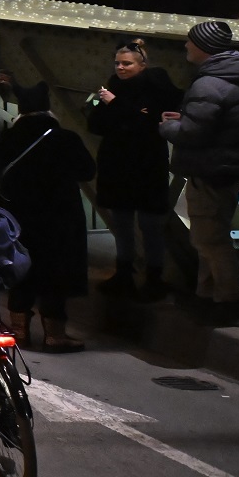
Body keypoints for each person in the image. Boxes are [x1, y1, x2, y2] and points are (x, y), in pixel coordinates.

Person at [0, 83, 96, 352]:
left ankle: (19, 331)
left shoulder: (8, 137)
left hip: (18, 217)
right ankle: (54, 336)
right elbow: (87, 171)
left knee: (20, 269)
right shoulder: (65, 138)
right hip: (59, 218)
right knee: (55, 273)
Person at [160, 20, 239, 323]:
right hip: (226, 169)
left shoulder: (209, 83)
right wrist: (186, 118)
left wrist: (168, 126)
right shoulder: (232, 75)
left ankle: (227, 301)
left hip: (209, 170)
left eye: (190, 42)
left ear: (204, 47)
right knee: (209, 236)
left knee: (210, 240)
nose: (186, 46)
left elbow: (193, 133)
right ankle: (207, 295)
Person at [87, 39, 182, 300]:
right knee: (122, 224)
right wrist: (131, 112)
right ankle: (124, 275)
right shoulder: (113, 86)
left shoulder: (156, 88)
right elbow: (95, 124)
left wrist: (116, 106)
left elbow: (148, 124)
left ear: (142, 65)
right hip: (118, 165)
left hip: (146, 165)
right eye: (117, 63)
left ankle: (153, 278)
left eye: (127, 63)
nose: (120, 67)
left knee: (150, 225)